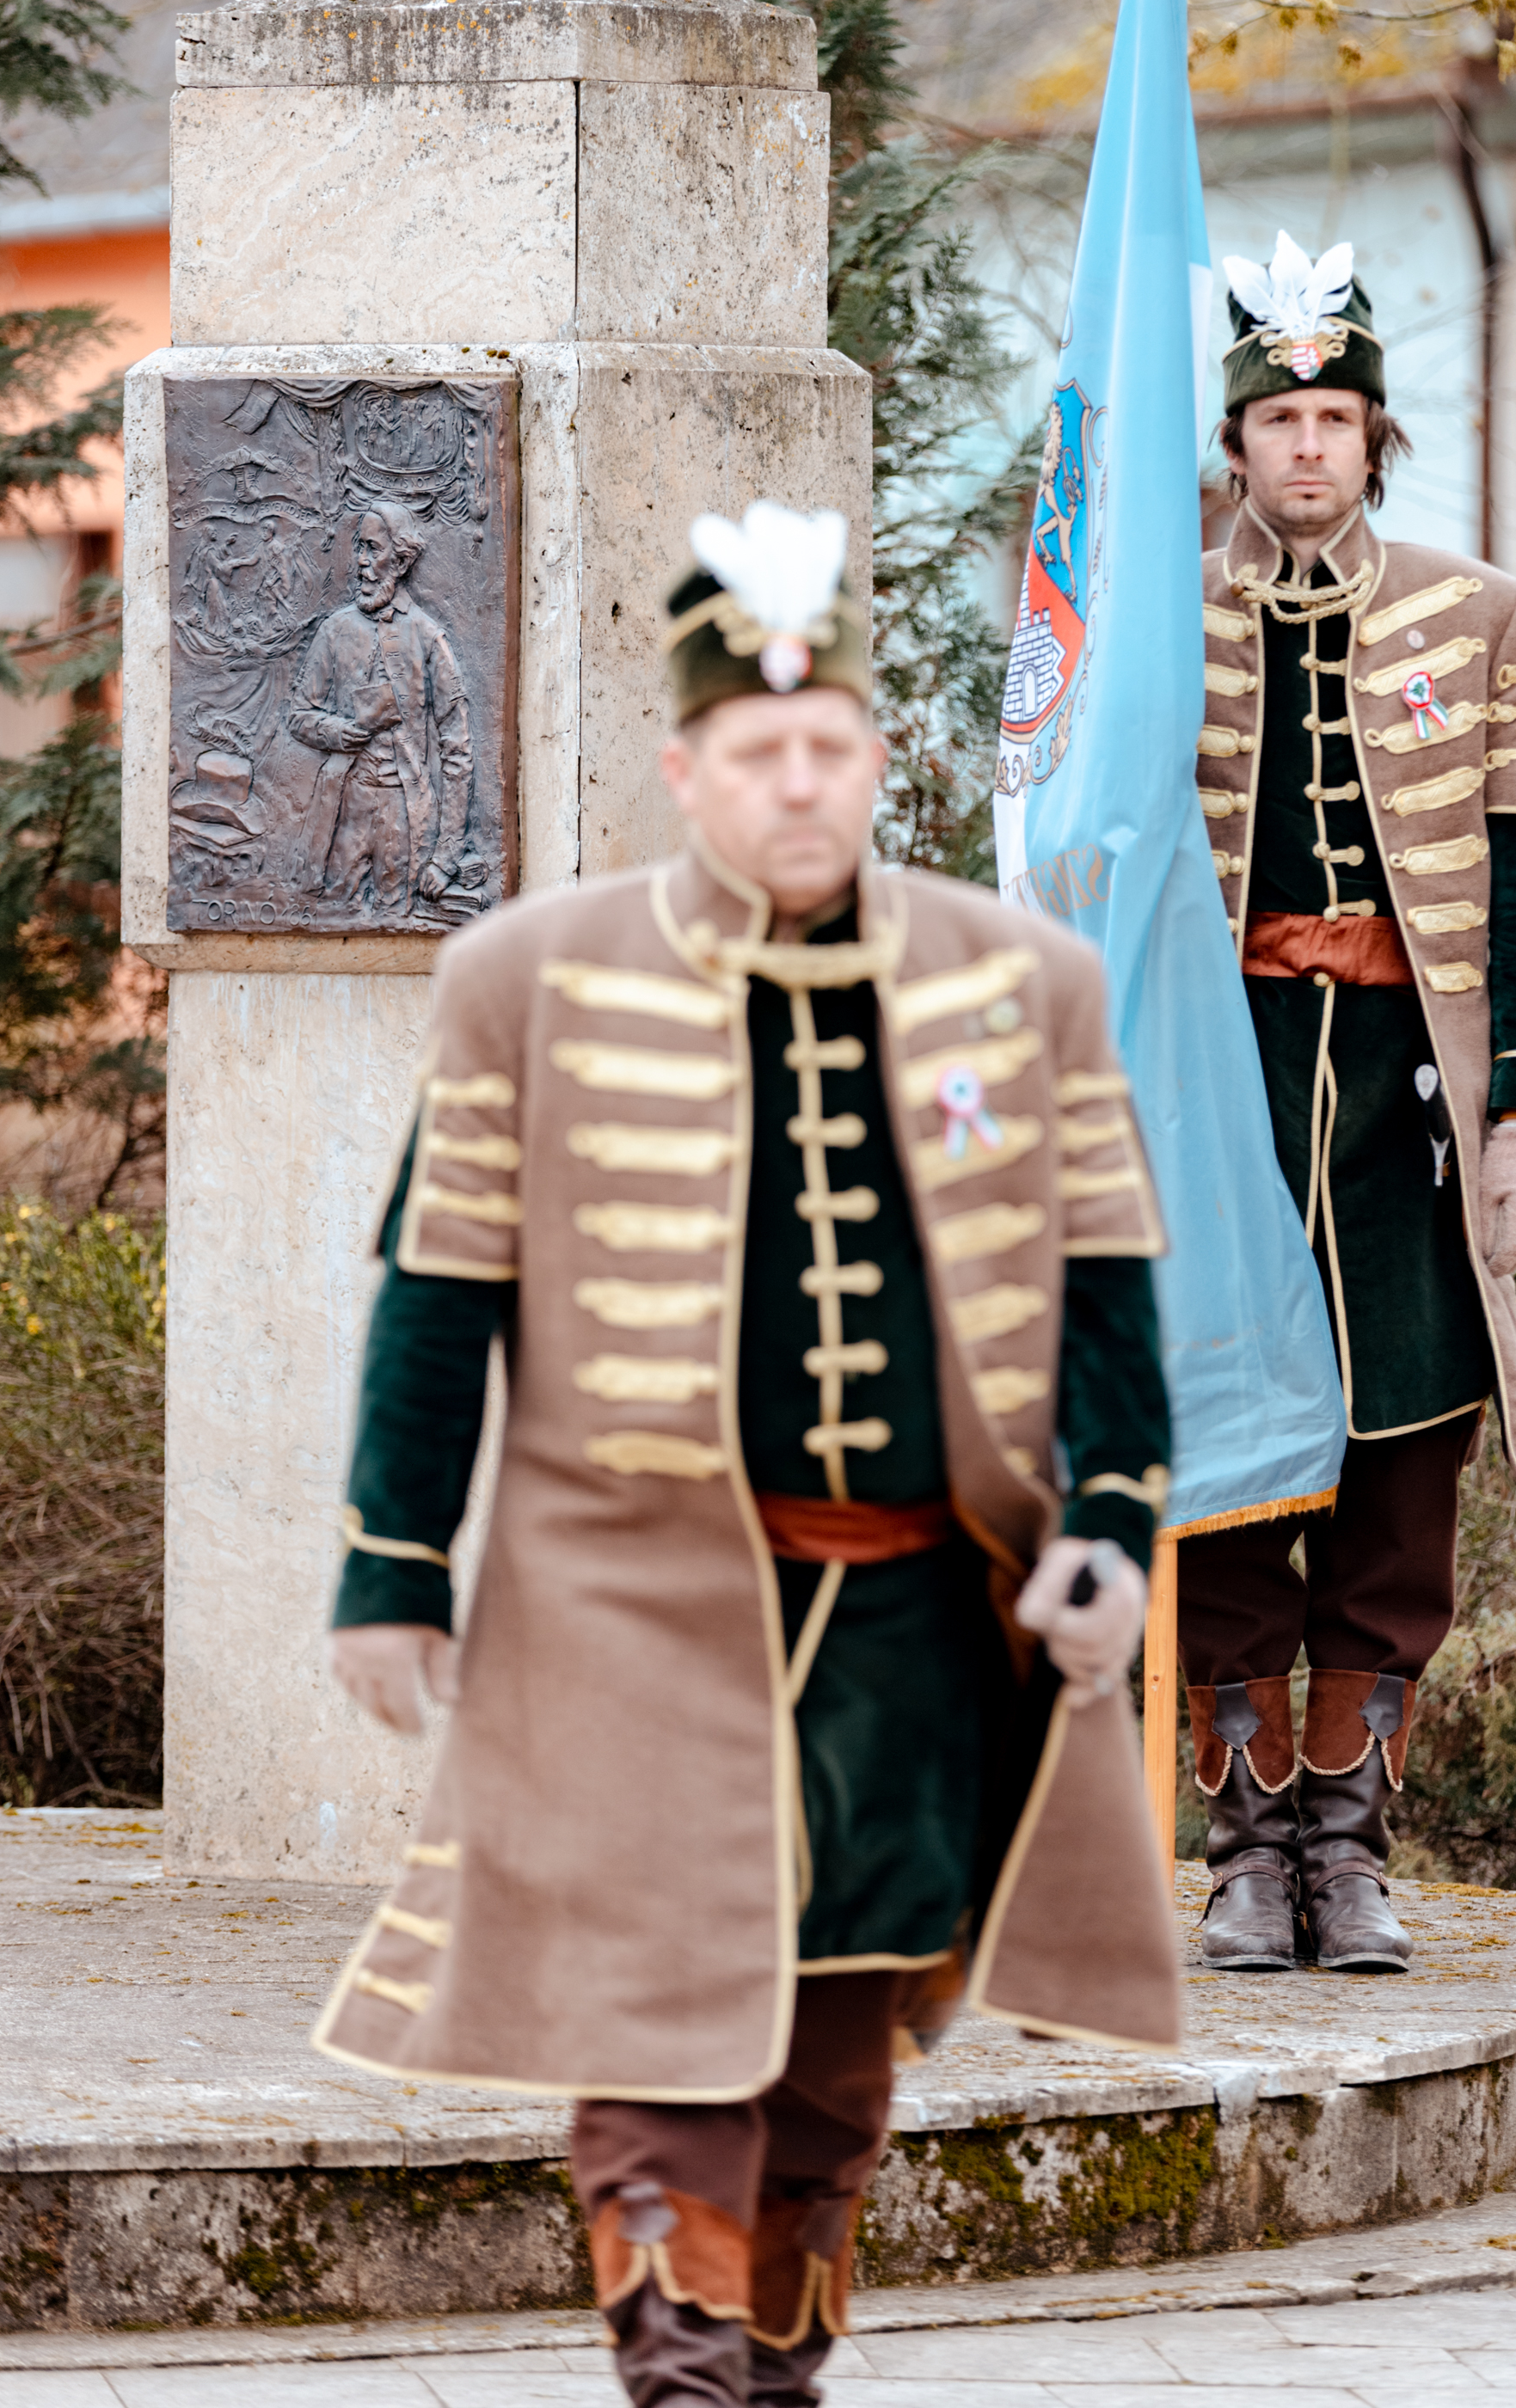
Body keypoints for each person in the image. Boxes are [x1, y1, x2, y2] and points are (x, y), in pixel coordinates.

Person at [315, 501, 1181, 2406]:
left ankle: (774, 2372)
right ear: (684, 769)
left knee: (837, 2038)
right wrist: (393, 1566)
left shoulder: (1020, 981)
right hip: (624, 1608)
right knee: (655, 2017)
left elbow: (1105, 1274)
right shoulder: (527, 976)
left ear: (874, 756)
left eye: (829, 746)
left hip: (910, 1614)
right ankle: (681, 2375)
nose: (799, 783)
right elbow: (439, 1290)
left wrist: (1111, 1518)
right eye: (759, 749)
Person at [1186, 236, 1516, 1977]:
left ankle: (1344, 1857)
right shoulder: (1155, 622)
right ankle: (1241, 1854)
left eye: (1333, 417)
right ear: (1235, 442)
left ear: (1371, 437)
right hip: (1224, 1099)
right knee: (1220, 1471)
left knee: (1396, 1474)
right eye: (1277, 419)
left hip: (1406, 1110)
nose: (1305, 445)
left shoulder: (1477, 616)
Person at [287, 500, 472, 912]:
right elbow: (298, 715)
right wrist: (338, 732)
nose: (361, 562)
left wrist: (446, 857)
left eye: (372, 549)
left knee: (397, 914)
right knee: (329, 915)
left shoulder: (428, 637)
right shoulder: (334, 630)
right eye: (359, 547)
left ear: (401, 562)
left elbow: (457, 750)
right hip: (342, 809)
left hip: (405, 816)